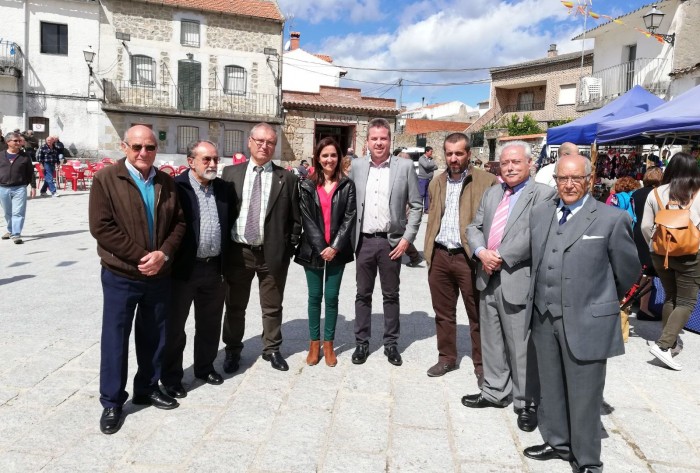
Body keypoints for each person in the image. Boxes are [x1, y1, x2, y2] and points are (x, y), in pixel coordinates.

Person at [524, 154, 639, 473]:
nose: (569, 184)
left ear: (589, 180)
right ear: (555, 180)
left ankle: (588, 461)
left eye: (576, 178)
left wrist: (599, 300)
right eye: (563, 178)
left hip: (587, 319)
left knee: (586, 395)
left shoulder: (611, 219)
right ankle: (558, 442)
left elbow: (627, 271)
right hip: (544, 316)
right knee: (551, 385)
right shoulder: (542, 212)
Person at [88, 125, 186, 435]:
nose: (143, 153)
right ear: (124, 147)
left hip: (158, 275)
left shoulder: (166, 182)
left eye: (150, 148)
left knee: (154, 335)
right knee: (115, 338)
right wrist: (143, 256)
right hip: (121, 275)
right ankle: (112, 402)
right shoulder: (106, 179)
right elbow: (102, 227)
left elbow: (179, 224)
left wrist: (163, 255)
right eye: (136, 147)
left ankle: (147, 388)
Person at [464, 141, 556, 432]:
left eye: (516, 162)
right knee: (490, 338)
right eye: (505, 163)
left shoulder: (543, 195)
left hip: (516, 277)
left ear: (530, 164)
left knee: (520, 344)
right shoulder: (493, 193)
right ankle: (494, 391)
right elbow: (473, 227)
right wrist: (481, 253)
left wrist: (501, 256)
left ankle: (525, 402)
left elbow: (535, 233)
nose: (510, 167)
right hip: (487, 275)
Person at [221, 123, 301, 373]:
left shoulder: (286, 178)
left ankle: (272, 349)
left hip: (272, 254)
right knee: (235, 306)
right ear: (249, 142)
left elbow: (295, 219)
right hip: (239, 252)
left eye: (270, 143)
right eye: (260, 141)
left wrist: (286, 249)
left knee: (273, 306)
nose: (264, 146)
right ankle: (232, 350)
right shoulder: (230, 174)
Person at [161, 141, 235, 399]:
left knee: (210, 323)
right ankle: (171, 378)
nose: (213, 164)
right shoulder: (175, 188)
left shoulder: (224, 189)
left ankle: (204, 368)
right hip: (183, 270)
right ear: (191, 161)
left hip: (215, 269)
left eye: (215, 159)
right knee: (174, 327)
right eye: (207, 159)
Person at [424, 133, 498, 382]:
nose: (453, 158)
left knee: (477, 313)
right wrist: (428, 253)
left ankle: (482, 365)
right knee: (443, 312)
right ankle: (446, 358)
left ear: (468, 154)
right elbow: (434, 217)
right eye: (449, 153)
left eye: (459, 153)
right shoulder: (437, 182)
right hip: (441, 254)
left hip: (470, 259)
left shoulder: (487, 182)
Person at [348, 117, 422, 366]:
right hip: (364, 241)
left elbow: (417, 205)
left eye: (383, 138)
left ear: (391, 140)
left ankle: (391, 343)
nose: (379, 143)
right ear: (367, 141)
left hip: (392, 243)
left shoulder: (404, 167)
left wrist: (407, 239)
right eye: (374, 138)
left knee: (391, 295)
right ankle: (362, 343)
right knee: (362, 294)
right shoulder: (356, 166)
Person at [295, 137, 356, 367]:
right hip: (313, 250)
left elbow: (349, 217)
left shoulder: (347, 185)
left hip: (337, 251)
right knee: (314, 297)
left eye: (333, 155)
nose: (329, 159)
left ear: (339, 158)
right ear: (317, 159)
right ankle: (314, 344)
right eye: (325, 155)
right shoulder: (307, 185)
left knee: (331, 298)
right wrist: (322, 248)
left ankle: (329, 344)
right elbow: (307, 219)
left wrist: (335, 247)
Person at [641, 152, 700, 371]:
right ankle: (664, 345)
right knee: (687, 302)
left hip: (660, 253)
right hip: (690, 254)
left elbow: (646, 227)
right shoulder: (698, 193)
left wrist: (656, 245)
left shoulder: (655, 193)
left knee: (671, 296)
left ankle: (670, 341)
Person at [630, 167, 664, 320]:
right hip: (650, 233)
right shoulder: (658, 194)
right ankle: (644, 309)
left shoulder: (636, 193)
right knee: (648, 272)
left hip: (635, 231)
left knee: (637, 269)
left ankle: (630, 303)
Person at [0, 132, 36, 244]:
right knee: (7, 212)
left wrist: (33, 186)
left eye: (19, 141)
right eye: (15, 141)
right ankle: (10, 230)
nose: (18, 142)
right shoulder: (1, 155)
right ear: (8, 142)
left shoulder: (25, 156)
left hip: (19, 188)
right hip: (3, 188)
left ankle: (16, 234)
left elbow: (30, 172)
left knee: (18, 212)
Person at [417, 146, 437, 213]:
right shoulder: (421, 158)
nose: (432, 153)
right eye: (431, 151)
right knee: (421, 194)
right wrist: (432, 166)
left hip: (429, 179)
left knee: (428, 194)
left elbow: (436, 167)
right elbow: (426, 166)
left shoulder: (431, 159)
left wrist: (430, 166)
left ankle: (426, 209)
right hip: (422, 179)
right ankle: (419, 209)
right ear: (426, 151)